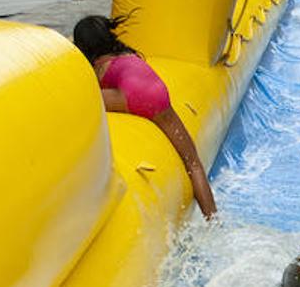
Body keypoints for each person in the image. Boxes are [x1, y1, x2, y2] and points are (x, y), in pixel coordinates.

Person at [72, 14, 217, 219]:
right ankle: (212, 218)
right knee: (193, 163)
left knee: (81, 98)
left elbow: (88, 89)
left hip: (132, 97)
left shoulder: (99, 66)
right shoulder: (127, 56)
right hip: (160, 97)